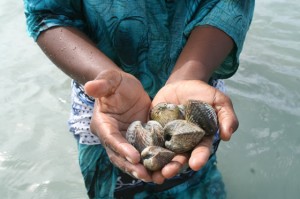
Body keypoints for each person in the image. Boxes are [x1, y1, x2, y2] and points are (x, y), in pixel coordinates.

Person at [24, 0, 254, 198]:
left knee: (197, 184)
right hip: (107, 107)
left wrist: (190, 74)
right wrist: (102, 76)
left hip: (194, 93)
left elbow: (227, 6)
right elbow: (47, 11)